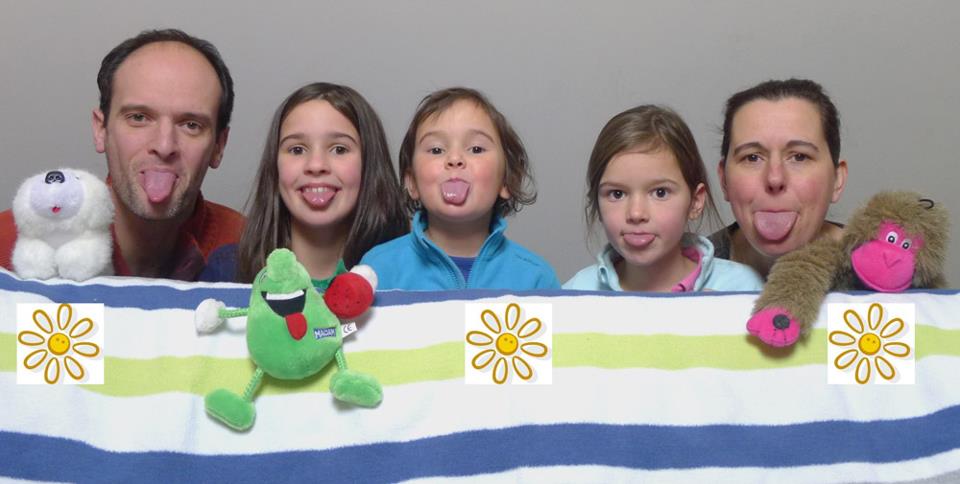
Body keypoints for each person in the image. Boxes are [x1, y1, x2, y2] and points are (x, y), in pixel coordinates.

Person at [0, 28, 244, 280]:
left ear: (219, 146)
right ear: (101, 130)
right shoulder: (10, 244)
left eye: (191, 125)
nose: (164, 146)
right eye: (138, 118)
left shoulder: (252, 250)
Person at [199, 82, 408, 286]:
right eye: (297, 149)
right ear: (275, 167)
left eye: (339, 149)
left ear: (369, 164)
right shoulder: (226, 271)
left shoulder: (408, 276)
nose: (316, 165)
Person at [360, 87, 559, 290]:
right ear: (411, 182)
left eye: (476, 149)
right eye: (436, 150)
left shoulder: (537, 279)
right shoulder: (377, 270)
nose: (454, 159)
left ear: (506, 181)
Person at [564, 105, 763, 292]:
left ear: (695, 201)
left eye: (660, 192)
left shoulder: (742, 288)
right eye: (617, 194)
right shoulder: (573, 292)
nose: (636, 213)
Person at [709, 78, 848, 279]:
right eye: (752, 157)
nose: (774, 179)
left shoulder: (891, 272)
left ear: (837, 180)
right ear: (724, 181)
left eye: (799, 157)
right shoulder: (685, 273)